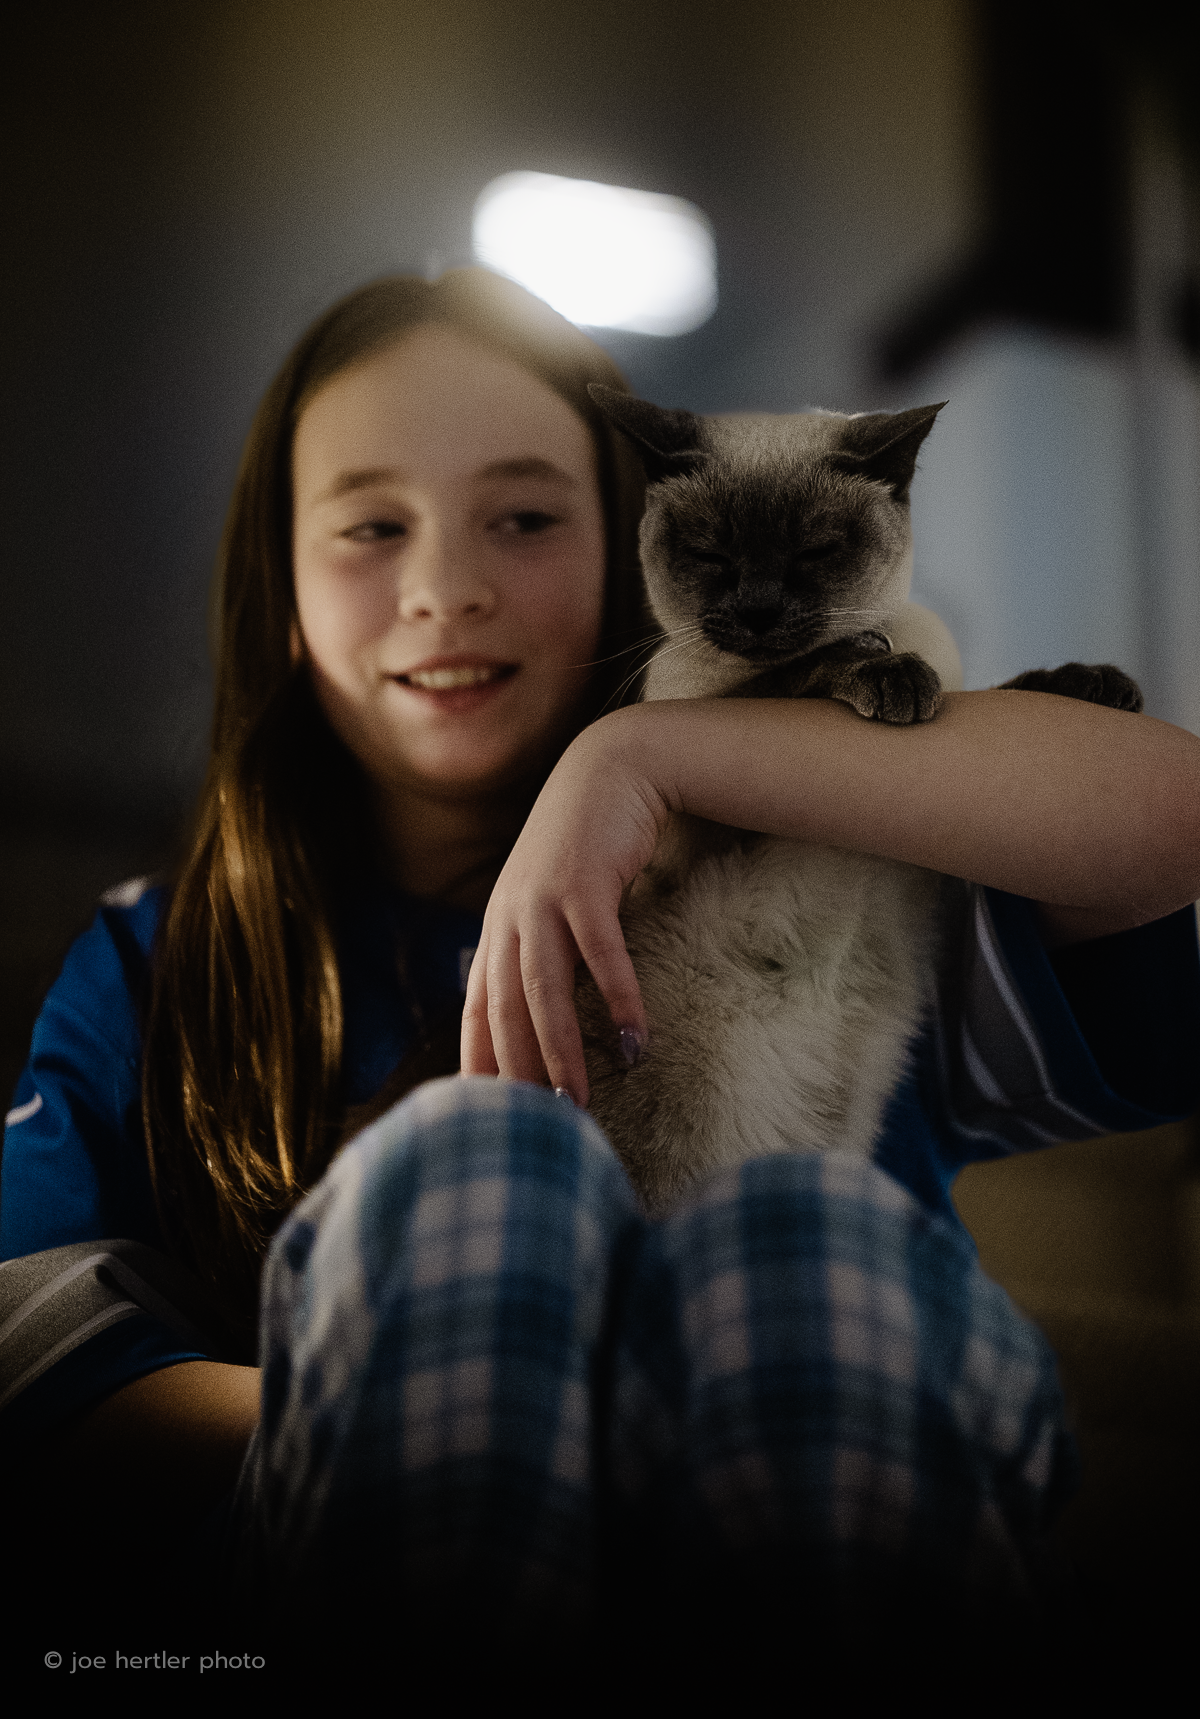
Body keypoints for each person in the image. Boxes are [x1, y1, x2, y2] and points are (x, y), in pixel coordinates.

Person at [2, 267, 1198, 1668]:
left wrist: (646, 751)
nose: (446, 587)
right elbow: (39, 1376)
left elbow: (1166, 819)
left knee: (794, 1251)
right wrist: (488, 1376)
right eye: (372, 527)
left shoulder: (849, 846)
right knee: (482, 1174)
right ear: (280, 589)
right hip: (373, 1507)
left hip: (843, 1438)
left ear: (636, 545)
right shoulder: (158, 958)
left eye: (523, 517)